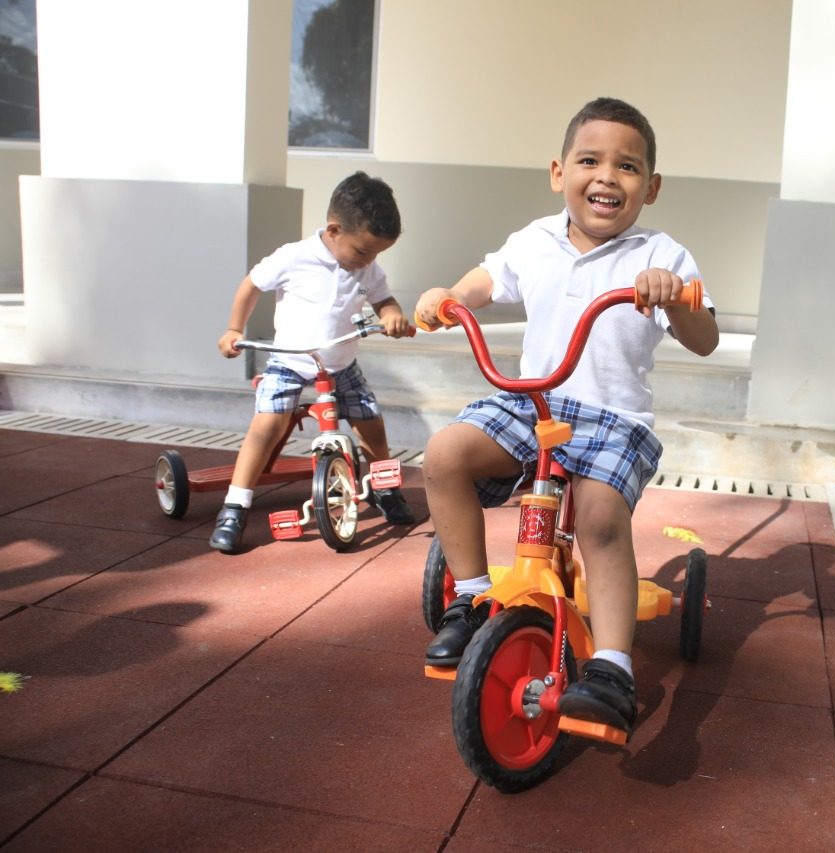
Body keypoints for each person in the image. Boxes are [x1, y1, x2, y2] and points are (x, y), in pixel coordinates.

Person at [414, 97, 720, 736]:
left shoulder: (661, 255)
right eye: (590, 160)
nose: (608, 176)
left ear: (651, 187)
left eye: (628, 167)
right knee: (444, 455)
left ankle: (611, 670)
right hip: (532, 402)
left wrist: (674, 294)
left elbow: (705, 338)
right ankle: (469, 600)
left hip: (614, 419)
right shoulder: (535, 240)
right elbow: (483, 281)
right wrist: (449, 297)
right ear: (559, 173)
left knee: (602, 519)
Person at [210, 171, 419, 554]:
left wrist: (391, 314)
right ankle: (235, 505)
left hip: (341, 363)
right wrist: (232, 328)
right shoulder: (294, 257)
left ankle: (384, 488)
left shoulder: (367, 267)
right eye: (362, 251)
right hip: (290, 361)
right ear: (334, 229)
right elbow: (251, 285)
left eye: (375, 255)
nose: (367, 261)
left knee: (369, 420)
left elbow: (383, 298)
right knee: (266, 425)